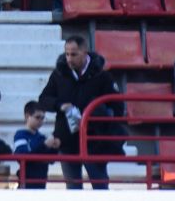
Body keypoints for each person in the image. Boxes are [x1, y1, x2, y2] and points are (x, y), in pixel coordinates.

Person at [38, 34, 120, 189]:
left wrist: (99, 116)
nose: (69, 59)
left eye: (73, 54)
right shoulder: (58, 75)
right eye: (67, 54)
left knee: (100, 186)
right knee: (73, 189)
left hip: (94, 142)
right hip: (67, 141)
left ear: (84, 52)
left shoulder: (103, 77)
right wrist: (60, 105)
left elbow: (117, 106)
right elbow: (43, 99)